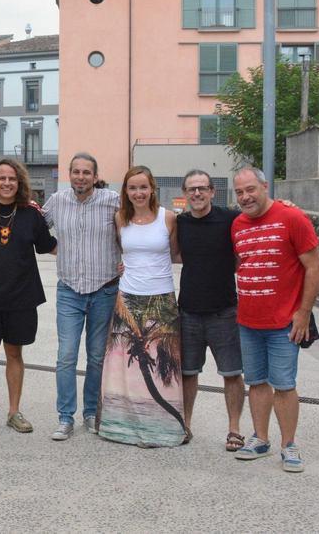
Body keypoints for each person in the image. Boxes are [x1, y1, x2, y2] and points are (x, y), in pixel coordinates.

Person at [231, 166, 319, 473]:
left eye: (250, 189)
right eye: (239, 192)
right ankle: (260, 438)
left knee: (284, 384)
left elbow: (314, 266)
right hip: (248, 320)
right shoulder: (238, 225)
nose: (245, 197)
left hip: (284, 322)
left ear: (265, 186)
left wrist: (304, 312)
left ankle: (289, 445)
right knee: (256, 382)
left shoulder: (292, 218)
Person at [97, 165, 188, 448]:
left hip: (161, 301)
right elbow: (119, 252)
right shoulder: (119, 218)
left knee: (165, 369)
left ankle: (164, 429)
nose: (138, 193)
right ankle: (121, 426)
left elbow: (176, 254)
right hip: (128, 300)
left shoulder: (168, 218)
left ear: (152, 189)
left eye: (143, 187)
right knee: (124, 369)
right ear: (125, 191)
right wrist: (121, 267)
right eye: (132, 187)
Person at [0, 158, 56, 437]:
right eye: (2, 178)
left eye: (12, 179)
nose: (6, 183)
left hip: (21, 296)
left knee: (15, 353)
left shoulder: (31, 214)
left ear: (20, 183)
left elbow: (50, 247)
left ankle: (14, 412)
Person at [42, 151, 120, 441]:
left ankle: (91, 412)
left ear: (95, 176)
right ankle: (65, 417)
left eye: (87, 172)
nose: (81, 177)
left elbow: (139, 222)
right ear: (69, 174)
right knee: (66, 356)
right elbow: (35, 227)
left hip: (104, 289)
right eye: (76, 172)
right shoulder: (57, 201)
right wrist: (56, 250)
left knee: (97, 357)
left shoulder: (112, 201)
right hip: (70, 290)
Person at [175, 169, 246, 452]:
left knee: (231, 373)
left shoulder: (230, 219)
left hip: (224, 311)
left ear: (212, 191)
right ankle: (186, 425)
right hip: (189, 311)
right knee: (188, 373)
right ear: (185, 193)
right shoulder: (180, 223)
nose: (197, 194)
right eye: (191, 189)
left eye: (202, 188)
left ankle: (235, 430)